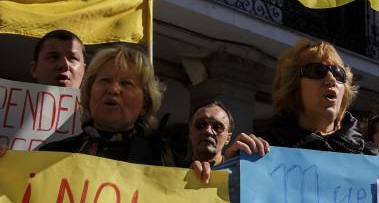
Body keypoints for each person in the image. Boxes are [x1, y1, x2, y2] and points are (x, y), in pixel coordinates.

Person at [38, 46, 174, 166]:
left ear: (145, 104)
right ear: (89, 93)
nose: (113, 89)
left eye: (126, 83)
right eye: (105, 80)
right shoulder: (49, 157)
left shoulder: (167, 165)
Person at [257, 39, 377, 154]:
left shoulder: (372, 156)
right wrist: (238, 162)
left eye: (338, 73)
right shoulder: (262, 152)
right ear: (293, 88)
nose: (331, 80)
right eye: (317, 70)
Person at [187, 100, 269, 183]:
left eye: (217, 127)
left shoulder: (240, 173)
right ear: (190, 132)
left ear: (228, 138)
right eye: (201, 124)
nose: (208, 131)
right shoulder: (174, 165)